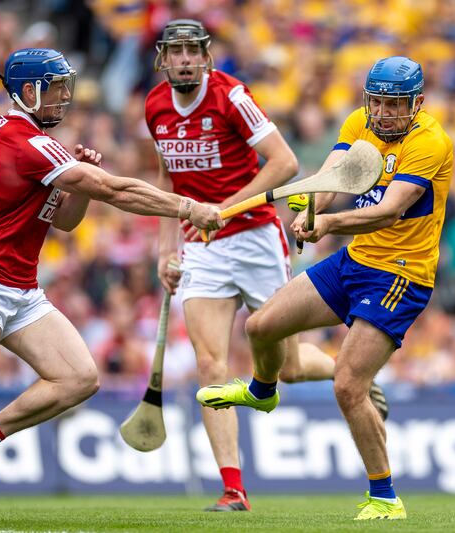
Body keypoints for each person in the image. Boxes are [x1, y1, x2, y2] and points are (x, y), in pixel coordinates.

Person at [0, 48, 222, 527]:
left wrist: (79, 187)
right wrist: (186, 207)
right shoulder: (20, 138)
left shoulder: (34, 141)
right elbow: (116, 190)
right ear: (27, 92)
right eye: (55, 86)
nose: (64, 96)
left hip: (20, 287)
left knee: (79, 378)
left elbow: (66, 221)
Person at [146, 19, 387, 512]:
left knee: (292, 368)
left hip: (254, 238)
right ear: (163, 59)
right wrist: (166, 248)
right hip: (202, 245)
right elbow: (169, 180)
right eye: (177, 51)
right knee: (210, 363)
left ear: (207, 56)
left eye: (194, 50)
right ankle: (234, 488)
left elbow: (284, 163)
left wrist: (225, 207)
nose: (186, 59)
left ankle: (349, 372)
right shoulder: (154, 107)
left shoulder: (231, 96)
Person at [197, 56, 453, 520]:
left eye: (394, 104)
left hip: (401, 273)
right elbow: (332, 178)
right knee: (261, 326)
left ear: (416, 104)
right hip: (354, 262)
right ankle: (262, 390)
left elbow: (388, 211)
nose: (382, 111)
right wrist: (310, 207)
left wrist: (329, 221)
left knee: (348, 385)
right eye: (376, 101)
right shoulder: (359, 122)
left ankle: (385, 497)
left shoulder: (430, 142)